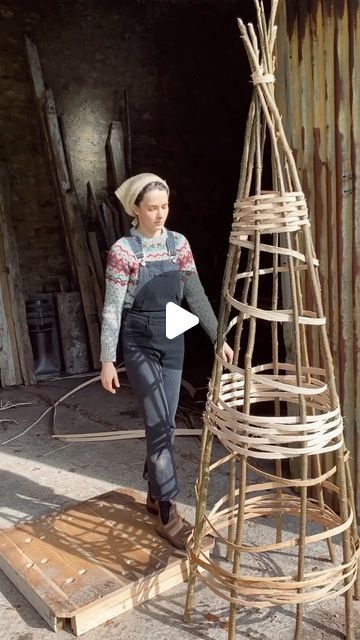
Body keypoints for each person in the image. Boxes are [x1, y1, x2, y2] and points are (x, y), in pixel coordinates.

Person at [100, 172, 233, 549]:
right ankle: (168, 514)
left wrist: (217, 336)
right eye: (152, 208)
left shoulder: (179, 244)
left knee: (167, 424)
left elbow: (195, 293)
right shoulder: (123, 252)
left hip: (173, 336)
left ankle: (153, 492)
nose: (161, 214)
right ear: (135, 210)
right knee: (159, 424)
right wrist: (107, 359)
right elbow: (112, 309)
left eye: (165, 206)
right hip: (139, 340)